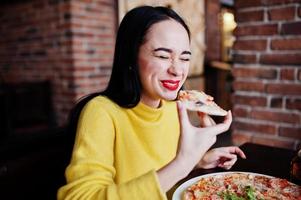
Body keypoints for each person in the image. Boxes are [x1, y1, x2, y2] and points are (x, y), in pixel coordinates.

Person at [57, 5, 246, 200]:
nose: (177, 70)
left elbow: (156, 168)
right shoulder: (101, 112)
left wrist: (198, 160)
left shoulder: (172, 107)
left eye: (185, 58)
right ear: (130, 57)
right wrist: (183, 163)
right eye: (163, 56)